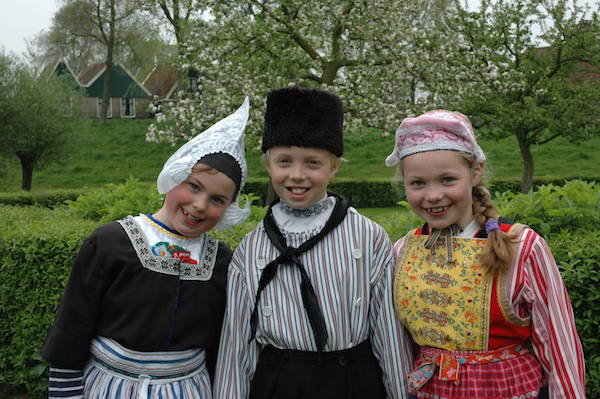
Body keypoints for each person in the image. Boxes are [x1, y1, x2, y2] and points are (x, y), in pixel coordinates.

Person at [41, 98, 251, 399]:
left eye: (218, 200)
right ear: (175, 176)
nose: (200, 205)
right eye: (193, 186)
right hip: (110, 388)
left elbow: (222, 346)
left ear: (229, 208)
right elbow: (72, 328)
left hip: (189, 391)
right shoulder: (111, 243)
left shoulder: (221, 262)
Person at [214, 87, 413, 399]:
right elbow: (237, 346)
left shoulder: (367, 236)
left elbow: (388, 332)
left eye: (312, 163)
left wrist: (401, 393)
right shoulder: (251, 250)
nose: (296, 175)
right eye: (284, 161)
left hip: (353, 382)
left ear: (333, 167)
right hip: (280, 382)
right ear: (268, 165)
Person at [385, 109, 586, 399]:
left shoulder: (521, 247)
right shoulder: (403, 250)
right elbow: (400, 345)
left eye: (447, 180)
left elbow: (558, 344)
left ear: (475, 172)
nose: (432, 195)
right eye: (418, 183)